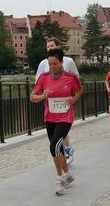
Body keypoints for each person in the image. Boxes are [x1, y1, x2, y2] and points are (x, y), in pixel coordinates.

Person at [30, 48, 83, 195]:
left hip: (65, 117)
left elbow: (79, 90)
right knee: (58, 149)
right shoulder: (44, 78)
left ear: (61, 62)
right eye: (50, 63)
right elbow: (32, 97)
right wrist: (42, 97)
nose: (52, 66)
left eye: (55, 63)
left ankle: (59, 178)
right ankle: (68, 174)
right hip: (50, 117)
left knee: (54, 145)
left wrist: (73, 99)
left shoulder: (70, 77)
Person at [35, 37, 79, 165]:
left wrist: (71, 93)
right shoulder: (43, 63)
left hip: (64, 101)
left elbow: (76, 77)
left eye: (52, 46)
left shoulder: (69, 61)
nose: (50, 48)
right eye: (48, 46)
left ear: (59, 47)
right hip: (50, 102)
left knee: (61, 127)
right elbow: (38, 81)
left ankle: (67, 150)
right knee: (55, 132)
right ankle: (62, 156)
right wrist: (42, 93)